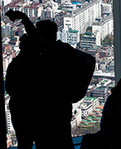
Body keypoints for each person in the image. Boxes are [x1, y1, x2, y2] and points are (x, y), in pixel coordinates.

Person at [5, 10, 74, 149]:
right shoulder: (61, 52)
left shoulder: (38, 60)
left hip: (31, 113)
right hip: (53, 113)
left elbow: (10, 88)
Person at [5, 34, 38, 149]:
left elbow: (9, 88)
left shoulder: (14, 65)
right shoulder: (40, 64)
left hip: (19, 107)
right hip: (37, 108)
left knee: (24, 142)